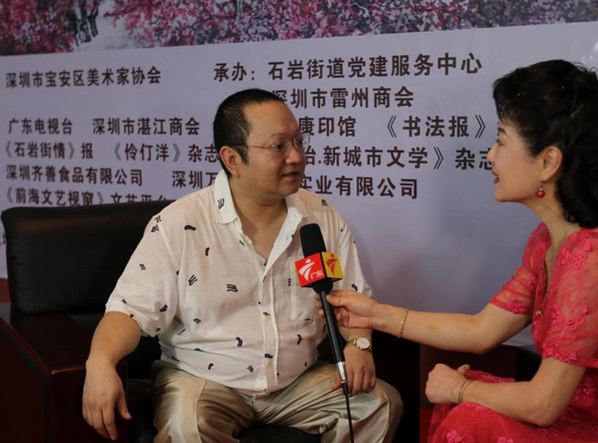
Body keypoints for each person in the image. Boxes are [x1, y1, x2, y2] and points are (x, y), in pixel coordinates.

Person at [318, 60, 598, 442]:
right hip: (582, 410)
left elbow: (542, 404)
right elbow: (483, 329)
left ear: (548, 161)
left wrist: (460, 389)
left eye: (501, 140)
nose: (490, 155)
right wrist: (376, 315)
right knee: (466, 405)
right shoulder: (551, 237)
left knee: (471, 415)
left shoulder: (597, 254)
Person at [82, 88, 403, 442]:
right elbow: (129, 311)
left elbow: (352, 301)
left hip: (297, 383)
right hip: (204, 381)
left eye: (298, 141)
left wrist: (359, 346)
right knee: (187, 425)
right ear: (232, 158)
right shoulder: (179, 224)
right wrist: (100, 361)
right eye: (278, 146)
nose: (296, 156)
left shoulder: (320, 217)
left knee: (379, 404)